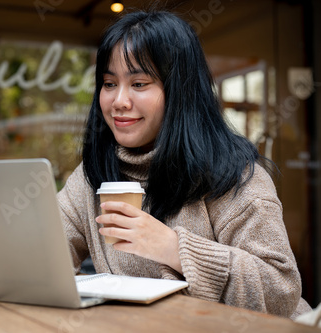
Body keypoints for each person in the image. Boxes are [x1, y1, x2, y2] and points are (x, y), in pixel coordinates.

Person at [56, 10, 312, 318]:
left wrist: (173, 248)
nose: (119, 101)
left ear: (180, 91)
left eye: (139, 83)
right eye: (109, 83)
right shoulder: (92, 175)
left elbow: (280, 289)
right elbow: (46, 253)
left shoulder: (234, 173)